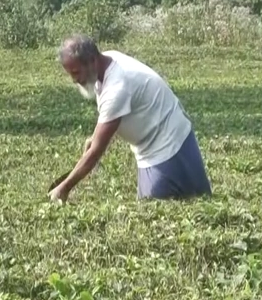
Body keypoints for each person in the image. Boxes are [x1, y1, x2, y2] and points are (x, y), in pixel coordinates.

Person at [48, 34, 212, 202]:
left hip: (167, 142)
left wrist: (63, 188)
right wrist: (94, 137)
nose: (74, 80)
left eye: (76, 72)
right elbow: (107, 116)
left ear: (91, 60)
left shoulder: (117, 87)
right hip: (152, 142)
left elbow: (96, 151)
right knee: (174, 199)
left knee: (155, 205)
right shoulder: (108, 59)